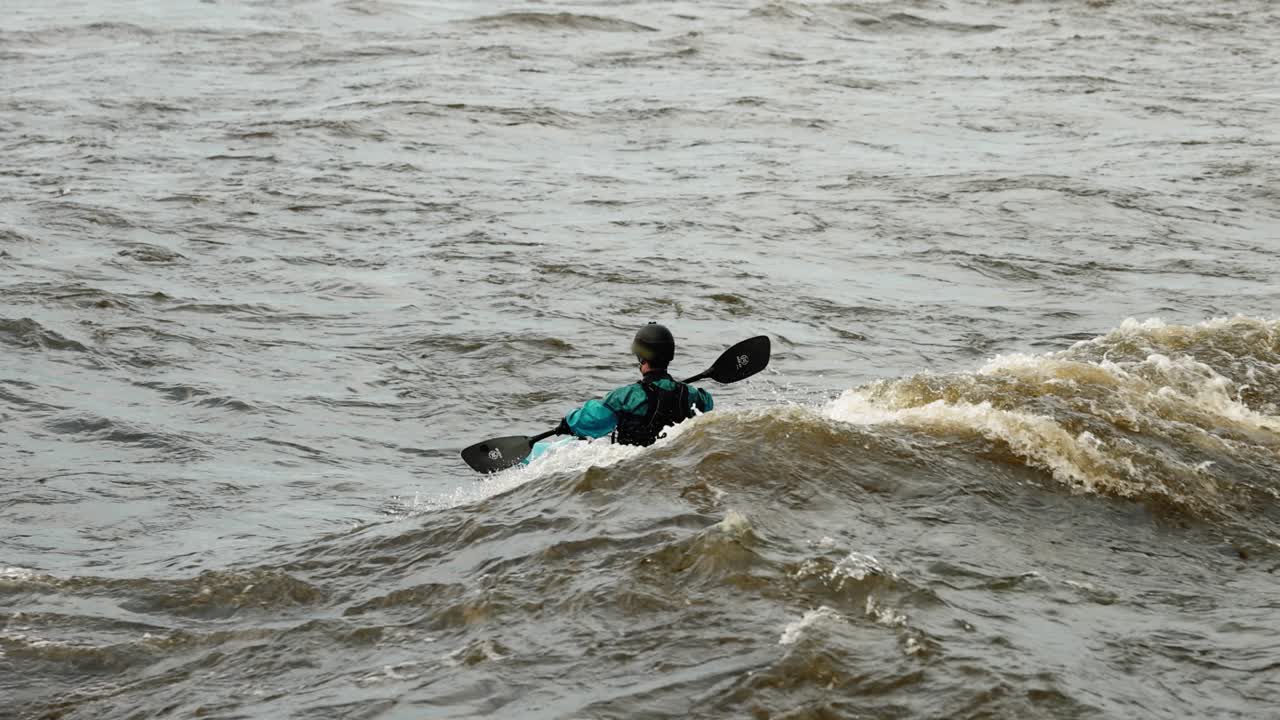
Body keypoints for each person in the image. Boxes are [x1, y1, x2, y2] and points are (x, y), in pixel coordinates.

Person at [555, 322, 713, 446]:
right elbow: (707, 403)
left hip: (632, 462)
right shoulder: (690, 394)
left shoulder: (626, 397)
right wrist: (672, 390)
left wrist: (568, 422)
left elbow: (591, 421)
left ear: (642, 357)